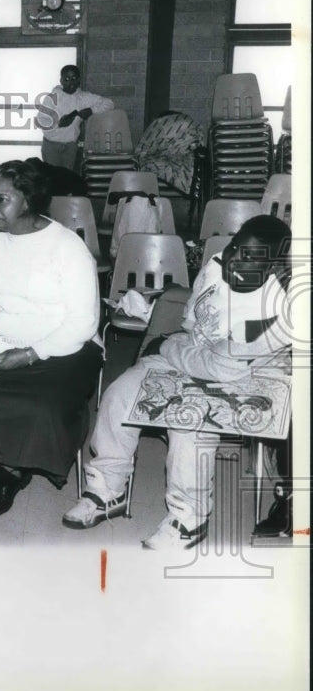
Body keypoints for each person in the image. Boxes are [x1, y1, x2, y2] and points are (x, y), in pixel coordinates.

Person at [62, 216, 293, 550]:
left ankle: (188, 519)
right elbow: (191, 323)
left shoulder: (276, 310)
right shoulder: (216, 267)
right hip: (193, 356)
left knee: (189, 424)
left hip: (245, 378)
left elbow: (223, 368)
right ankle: (107, 490)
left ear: (272, 268)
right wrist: (180, 346)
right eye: (235, 249)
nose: (235, 261)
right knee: (119, 394)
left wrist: (169, 346)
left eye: (252, 258)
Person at [0, 159, 103, 520]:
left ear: (28, 201)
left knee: (42, 406)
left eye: (2, 200)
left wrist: (29, 354)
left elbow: (83, 323)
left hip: (65, 345)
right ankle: (7, 470)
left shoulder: (67, 248)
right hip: (0, 337)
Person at [39, 65, 114, 172]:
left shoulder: (84, 97)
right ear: (61, 80)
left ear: (79, 80)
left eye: (74, 78)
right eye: (67, 79)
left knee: (69, 179)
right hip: (52, 145)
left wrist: (91, 110)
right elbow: (42, 121)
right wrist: (58, 124)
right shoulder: (52, 97)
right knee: (52, 180)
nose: (71, 82)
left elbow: (109, 103)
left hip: (71, 146)